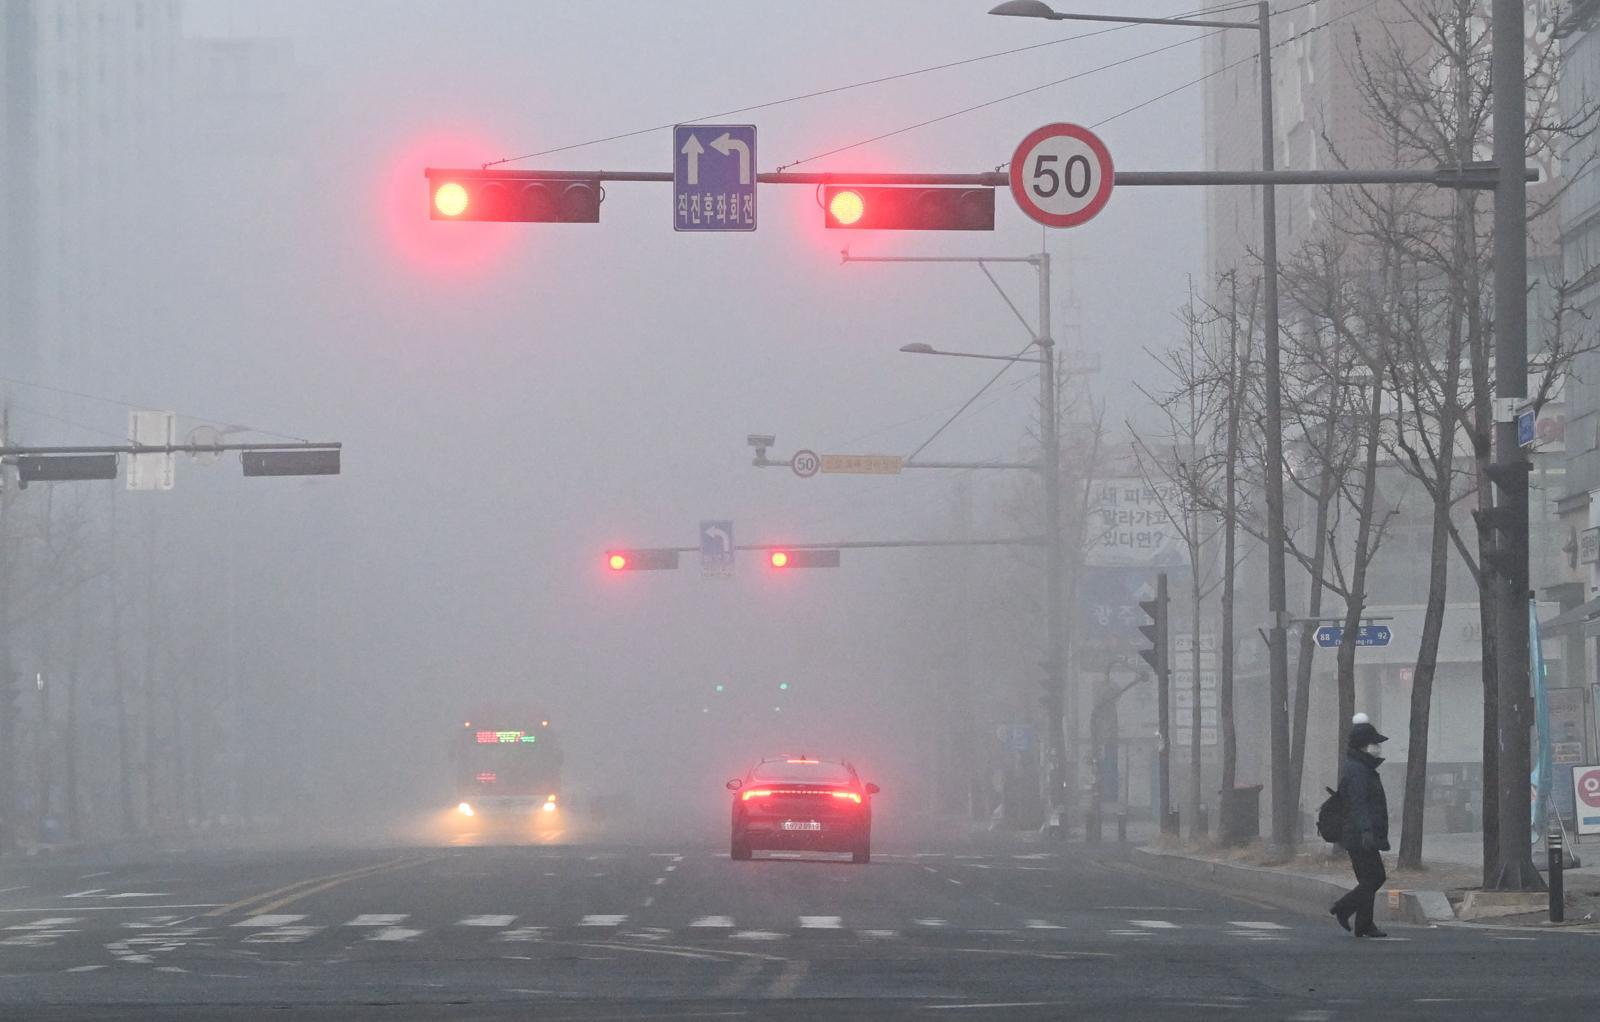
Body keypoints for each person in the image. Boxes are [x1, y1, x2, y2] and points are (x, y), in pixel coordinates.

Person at [1329, 713, 1391, 938]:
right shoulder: (1357, 770)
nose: (1377, 747)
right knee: (1375, 878)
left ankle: (1365, 924)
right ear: (1364, 745)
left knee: (1368, 879)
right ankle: (1343, 908)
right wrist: (1366, 830)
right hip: (1359, 834)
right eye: (1374, 743)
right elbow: (1358, 804)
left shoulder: (1361, 767)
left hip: (1362, 832)